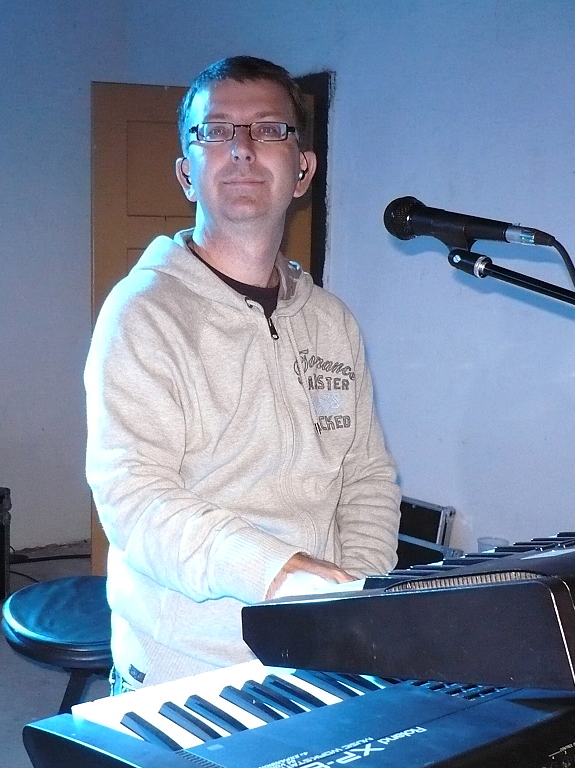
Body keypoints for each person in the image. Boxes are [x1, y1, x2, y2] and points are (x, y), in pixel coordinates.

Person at [84, 55, 401, 690]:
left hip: (321, 647)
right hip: (189, 669)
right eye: (217, 131)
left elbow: (366, 477)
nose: (243, 148)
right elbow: (134, 499)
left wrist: (355, 596)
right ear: (187, 173)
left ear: (303, 170)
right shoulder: (142, 313)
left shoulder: (332, 323)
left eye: (269, 129)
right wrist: (280, 574)